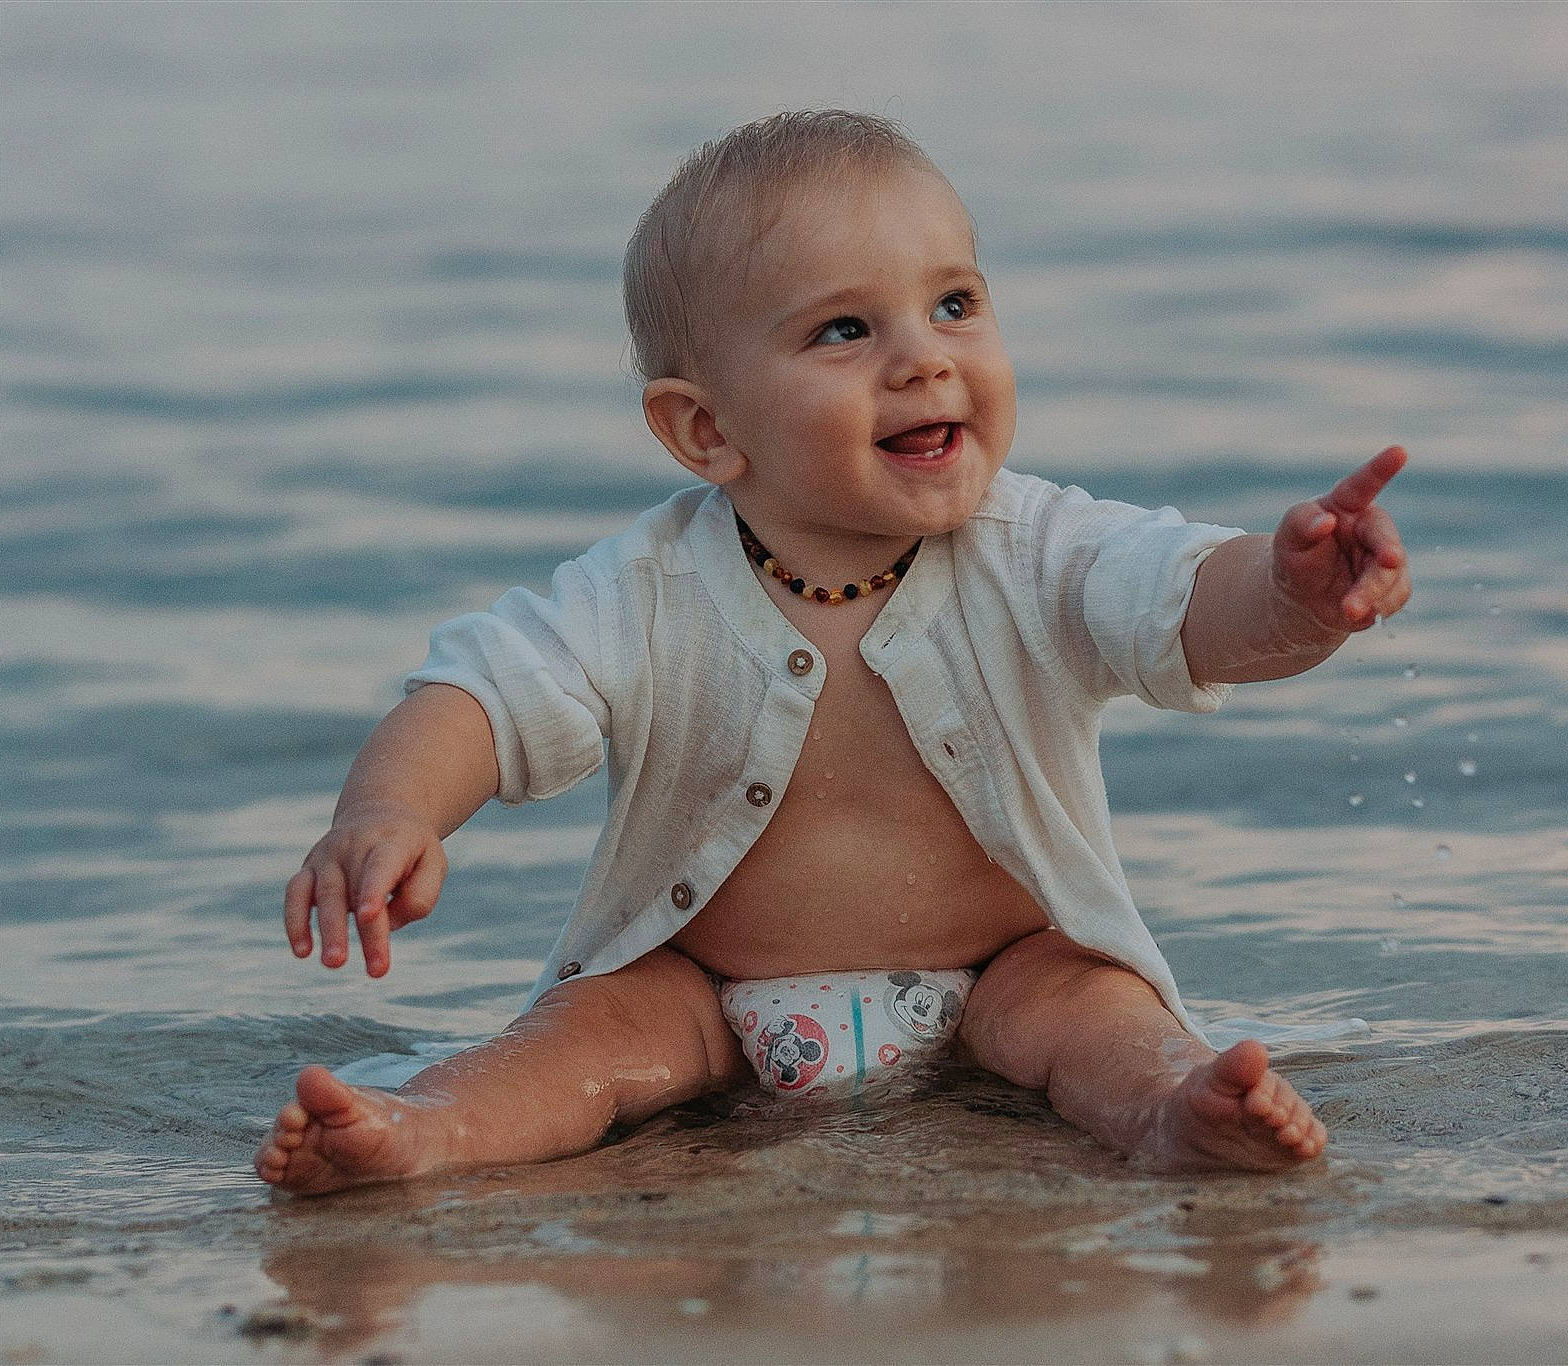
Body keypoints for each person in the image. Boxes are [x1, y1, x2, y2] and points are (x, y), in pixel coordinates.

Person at [255, 110, 1411, 1196]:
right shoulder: (642, 589)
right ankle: (425, 1130)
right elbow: (484, 693)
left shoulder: (1039, 546)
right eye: (844, 330)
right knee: (583, 1035)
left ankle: (1174, 1109)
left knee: (1098, 1013)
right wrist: (390, 812)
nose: (923, 359)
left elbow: (1182, 604)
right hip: (705, 994)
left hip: (1004, 977)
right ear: (706, 428)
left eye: (952, 304)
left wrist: (1288, 590)